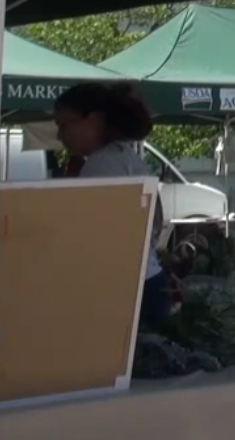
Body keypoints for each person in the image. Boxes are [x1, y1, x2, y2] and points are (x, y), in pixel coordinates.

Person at [53, 82, 170, 330]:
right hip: (147, 280)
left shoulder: (102, 165)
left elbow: (93, 237)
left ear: (93, 120)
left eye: (64, 125)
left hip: (127, 289)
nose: (59, 136)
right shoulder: (123, 157)